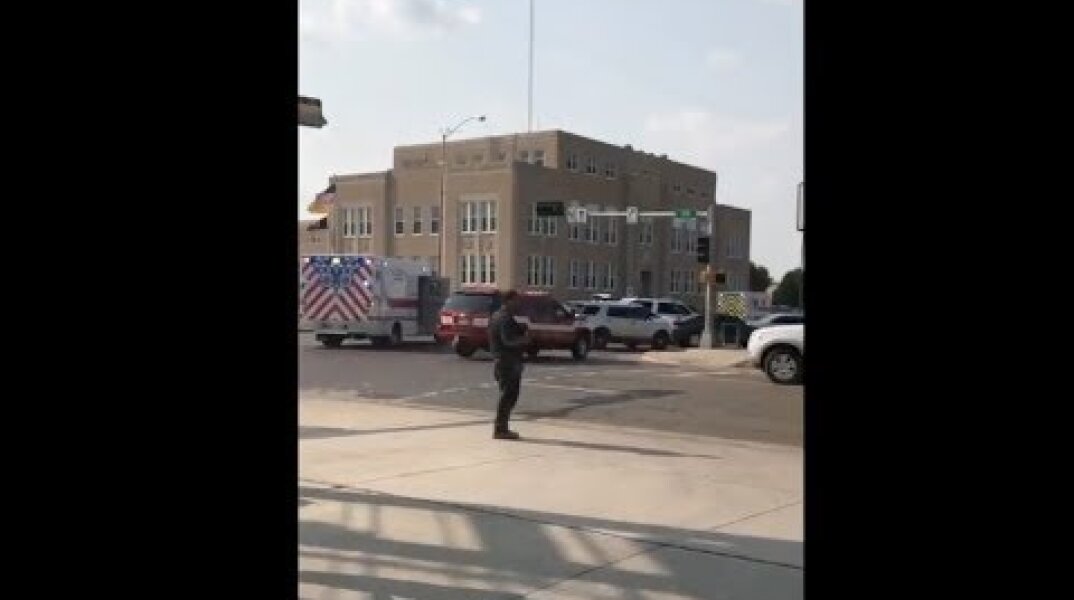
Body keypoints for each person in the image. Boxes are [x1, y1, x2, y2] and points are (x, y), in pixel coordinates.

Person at [488, 290, 531, 440]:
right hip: (507, 362)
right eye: (516, 300)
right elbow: (507, 340)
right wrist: (523, 340)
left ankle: (502, 427)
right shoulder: (504, 318)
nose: (518, 303)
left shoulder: (497, 316)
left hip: (504, 361)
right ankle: (500, 429)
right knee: (508, 395)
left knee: (508, 395)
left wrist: (521, 329)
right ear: (508, 301)